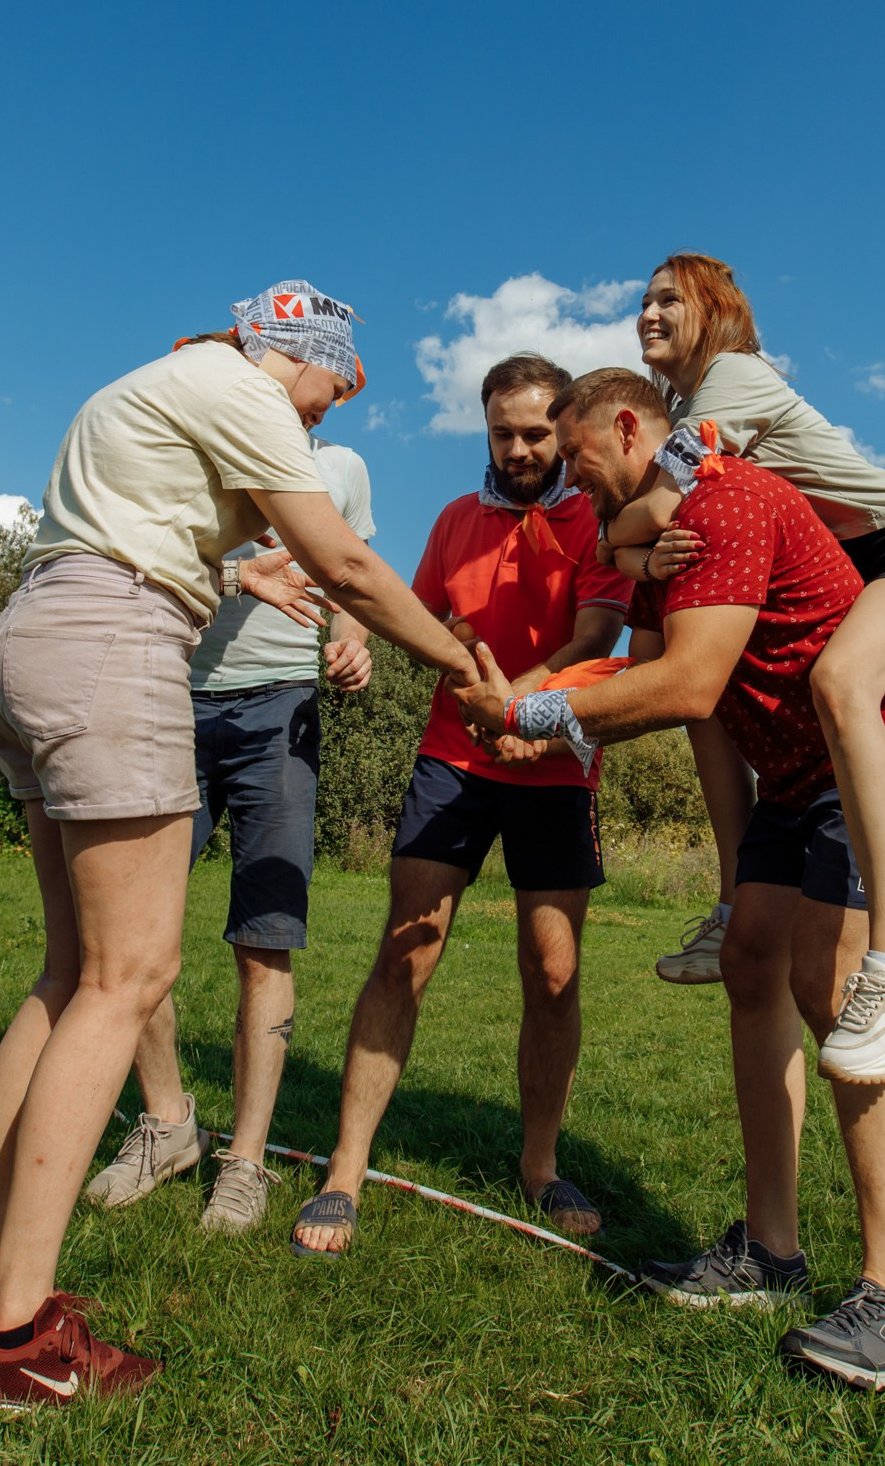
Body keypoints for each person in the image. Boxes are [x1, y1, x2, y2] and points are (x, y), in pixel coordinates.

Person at [0, 282, 480, 1416]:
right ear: (299, 355)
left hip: (30, 633)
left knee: (71, 972)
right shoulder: (248, 390)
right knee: (130, 981)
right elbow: (354, 569)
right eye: (336, 386)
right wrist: (466, 669)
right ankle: (18, 1338)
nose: (327, 415)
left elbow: (145, 529)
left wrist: (241, 572)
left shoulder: (162, 383)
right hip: (114, 645)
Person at [459, 368, 885, 1391]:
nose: (575, 483)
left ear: (632, 428)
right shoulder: (664, 543)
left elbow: (685, 683)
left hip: (881, 749)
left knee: (834, 986)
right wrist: (532, 700)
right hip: (789, 772)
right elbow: (630, 670)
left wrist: (527, 718)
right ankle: (771, 1252)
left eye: (583, 460)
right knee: (749, 963)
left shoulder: (732, 499)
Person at [606, 254, 885, 1087]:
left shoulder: (732, 378)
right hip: (861, 562)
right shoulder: (685, 405)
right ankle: (731, 899)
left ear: (717, 312)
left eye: (668, 299)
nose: (648, 313)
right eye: (642, 301)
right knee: (712, 694)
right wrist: (636, 560)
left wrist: (612, 542)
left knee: (841, 683)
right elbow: (662, 526)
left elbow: (663, 503)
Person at [287, 353, 631, 1257]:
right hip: (455, 759)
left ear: (564, 432)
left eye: (534, 433)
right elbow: (414, 612)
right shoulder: (454, 521)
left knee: (553, 972)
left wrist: (522, 708)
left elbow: (596, 633)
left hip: (556, 764)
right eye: (501, 433)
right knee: (406, 951)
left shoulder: (596, 518)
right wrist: (373, 636)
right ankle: (345, 1170)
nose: (518, 449)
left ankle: (541, 1164)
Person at [79, 432, 378, 1234]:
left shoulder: (342, 469)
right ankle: (167, 1121)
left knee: (265, 937)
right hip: (172, 692)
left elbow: (347, 580)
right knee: (128, 934)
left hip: (283, 705)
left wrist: (353, 641)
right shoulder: (195, 446)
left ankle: (244, 1161)